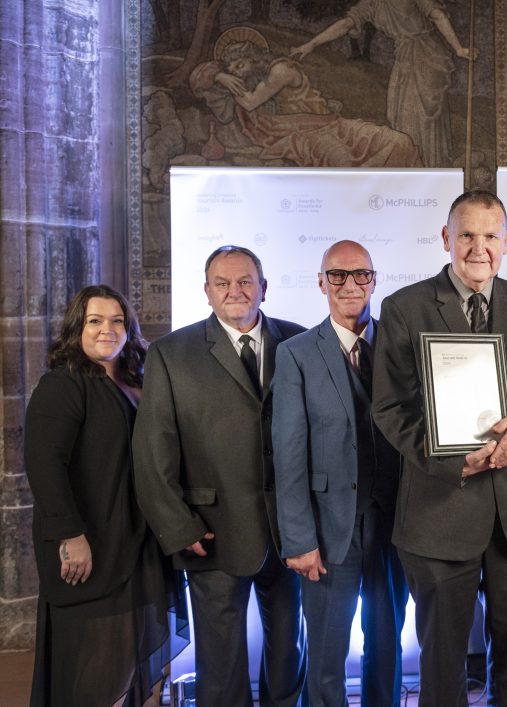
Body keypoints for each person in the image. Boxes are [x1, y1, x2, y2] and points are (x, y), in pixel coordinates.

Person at [372, 190, 507, 706]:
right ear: (446, 238)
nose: (479, 247)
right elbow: (389, 409)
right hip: (438, 511)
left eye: (490, 236)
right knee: (443, 663)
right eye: (467, 235)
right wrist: (451, 462)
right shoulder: (403, 309)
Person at [133, 246, 308, 707]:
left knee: (289, 651)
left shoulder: (300, 342)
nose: (236, 290)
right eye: (223, 283)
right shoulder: (172, 354)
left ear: (264, 288)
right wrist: (178, 526)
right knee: (221, 662)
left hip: (290, 532)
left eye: (246, 281)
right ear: (207, 291)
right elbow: (154, 451)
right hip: (212, 531)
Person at [24, 285, 187, 707]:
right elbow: (44, 465)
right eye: (94, 321)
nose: (106, 330)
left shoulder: (138, 380)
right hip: (90, 548)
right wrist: (70, 536)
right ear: (77, 328)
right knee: (96, 670)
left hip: (138, 545)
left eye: (117, 321)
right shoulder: (63, 385)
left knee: (132, 667)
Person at [273, 240, 408, 707]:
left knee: (387, 645)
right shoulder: (296, 354)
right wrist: (298, 540)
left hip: (394, 524)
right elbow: (288, 454)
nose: (349, 284)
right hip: (329, 531)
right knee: (328, 655)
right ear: (321, 282)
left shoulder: (401, 342)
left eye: (360, 274)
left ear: (374, 280)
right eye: (337, 275)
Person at [190, 27, 421, 168]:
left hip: (330, 125)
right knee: (341, 161)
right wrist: (221, 76)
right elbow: (199, 79)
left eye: (240, 65)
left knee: (398, 142)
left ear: (254, 57)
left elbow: (250, 101)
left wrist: (225, 80)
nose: (238, 73)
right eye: (234, 72)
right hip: (308, 134)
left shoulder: (279, 71)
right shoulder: (261, 79)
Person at [290, 1, 477, 167]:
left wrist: (458, 48)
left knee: (420, 114)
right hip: (404, 55)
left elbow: (437, 15)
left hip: (427, 54)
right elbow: (346, 24)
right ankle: (412, 164)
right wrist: (312, 44)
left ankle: (430, 165)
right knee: (397, 112)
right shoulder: (372, 3)